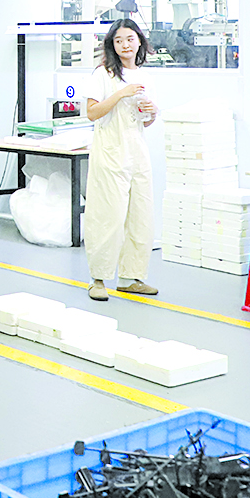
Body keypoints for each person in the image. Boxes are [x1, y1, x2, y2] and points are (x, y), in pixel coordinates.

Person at [84, 18, 159, 301]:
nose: (125, 45)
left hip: (137, 151)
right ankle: (98, 278)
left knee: (141, 215)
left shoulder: (145, 76)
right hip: (110, 152)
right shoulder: (102, 74)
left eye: (129, 39)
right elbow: (92, 113)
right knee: (108, 217)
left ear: (139, 41)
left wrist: (152, 112)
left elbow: (145, 121)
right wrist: (120, 94)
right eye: (118, 40)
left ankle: (131, 277)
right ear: (111, 45)